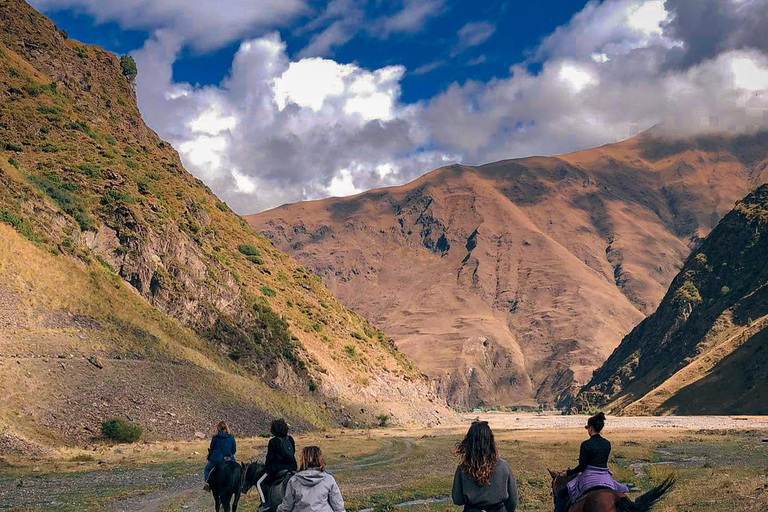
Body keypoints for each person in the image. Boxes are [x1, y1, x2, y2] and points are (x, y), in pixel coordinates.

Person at [554, 412, 628, 512]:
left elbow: (582, 467)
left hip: (588, 476)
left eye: (587, 428)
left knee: (560, 495)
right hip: (605, 476)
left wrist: (568, 473)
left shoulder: (585, 444)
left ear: (590, 428)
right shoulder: (607, 443)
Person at [452, 421, 518, 512]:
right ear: (491, 441)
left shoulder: (462, 468)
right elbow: (513, 501)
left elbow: (457, 499)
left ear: (469, 442)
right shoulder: (504, 466)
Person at [276, 446, 345, 512]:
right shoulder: (328, 479)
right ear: (320, 459)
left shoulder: (294, 480)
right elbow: (338, 505)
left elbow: (287, 506)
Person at [257, 419, 298, 504]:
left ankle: (265, 504)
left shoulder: (273, 441)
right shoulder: (290, 439)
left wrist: (267, 466)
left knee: (261, 483)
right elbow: (293, 452)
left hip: (278, 470)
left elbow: (269, 458)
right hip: (292, 468)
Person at [203, 421, 237, 491]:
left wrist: (210, 456)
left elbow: (212, 448)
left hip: (216, 459)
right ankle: (240, 484)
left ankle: (208, 484)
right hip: (229, 459)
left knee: (206, 469)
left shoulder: (215, 437)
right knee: (237, 469)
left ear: (218, 428)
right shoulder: (231, 437)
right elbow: (233, 450)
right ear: (226, 428)